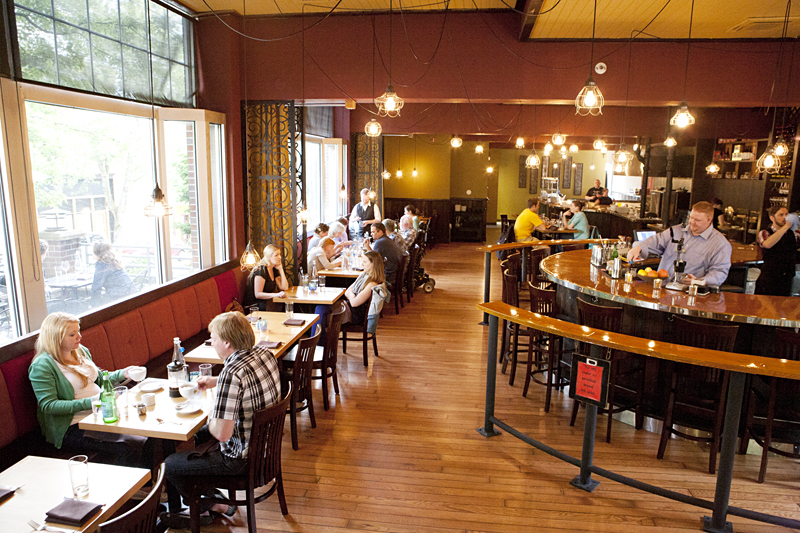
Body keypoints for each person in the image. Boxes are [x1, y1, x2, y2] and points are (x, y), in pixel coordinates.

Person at [162, 311, 281, 529]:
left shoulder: (231, 372)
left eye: (213, 339)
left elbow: (223, 434)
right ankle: (209, 499)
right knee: (200, 435)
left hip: (241, 462)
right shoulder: (265, 354)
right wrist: (215, 381)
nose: (212, 343)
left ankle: (211, 504)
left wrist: (211, 411)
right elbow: (246, 378)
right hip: (266, 452)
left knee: (169, 465)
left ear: (227, 342)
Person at [28, 312, 150, 468]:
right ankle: (132, 483)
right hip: (73, 427)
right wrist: (93, 402)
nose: (79, 337)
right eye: (72, 334)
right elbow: (49, 405)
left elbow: (98, 378)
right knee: (129, 445)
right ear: (55, 338)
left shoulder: (80, 351)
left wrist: (124, 373)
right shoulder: (42, 366)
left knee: (148, 433)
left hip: (101, 415)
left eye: (78, 331)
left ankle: (151, 481)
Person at [627, 201, 732, 286]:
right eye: (691, 218)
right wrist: (638, 247)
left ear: (709, 220)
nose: (692, 222)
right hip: (662, 289)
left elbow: (719, 273)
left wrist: (699, 281)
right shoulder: (676, 231)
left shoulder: (720, 244)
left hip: (690, 294)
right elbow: (656, 241)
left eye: (697, 220)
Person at [755, 206, 800, 296]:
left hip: (787, 277)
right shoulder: (765, 232)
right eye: (781, 215)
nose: (785, 217)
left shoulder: (794, 234)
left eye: (786, 214)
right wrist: (786, 227)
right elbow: (767, 244)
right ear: (772, 218)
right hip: (769, 276)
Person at [343, 251, 386, 326]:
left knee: (326, 310)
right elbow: (347, 292)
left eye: (365, 262)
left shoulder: (372, 284)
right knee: (324, 308)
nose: (362, 264)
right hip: (350, 308)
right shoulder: (364, 275)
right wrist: (352, 296)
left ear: (373, 264)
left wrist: (350, 294)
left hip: (355, 315)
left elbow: (354, 303)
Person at [243, 245, 288, 311]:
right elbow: (258, 294)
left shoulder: (273, 269)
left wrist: (281, 269)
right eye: (276, 255)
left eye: (279, 254)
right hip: (254, 306)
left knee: (285, 305)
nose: (280, 257)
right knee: (282, 306)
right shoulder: (261, 270)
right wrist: (276, 295)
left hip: (265, 303)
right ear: (268, 257)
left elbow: (284, 287)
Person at [366, 222, 400, 287]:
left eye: (373, 232)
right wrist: (367, 247)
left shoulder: (380, 242)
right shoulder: (386, 240)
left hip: (387, 277)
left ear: (380, 232)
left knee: (365, 279)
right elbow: (374, 256)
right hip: (392, 273)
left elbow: (374, 261)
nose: (371, 234)